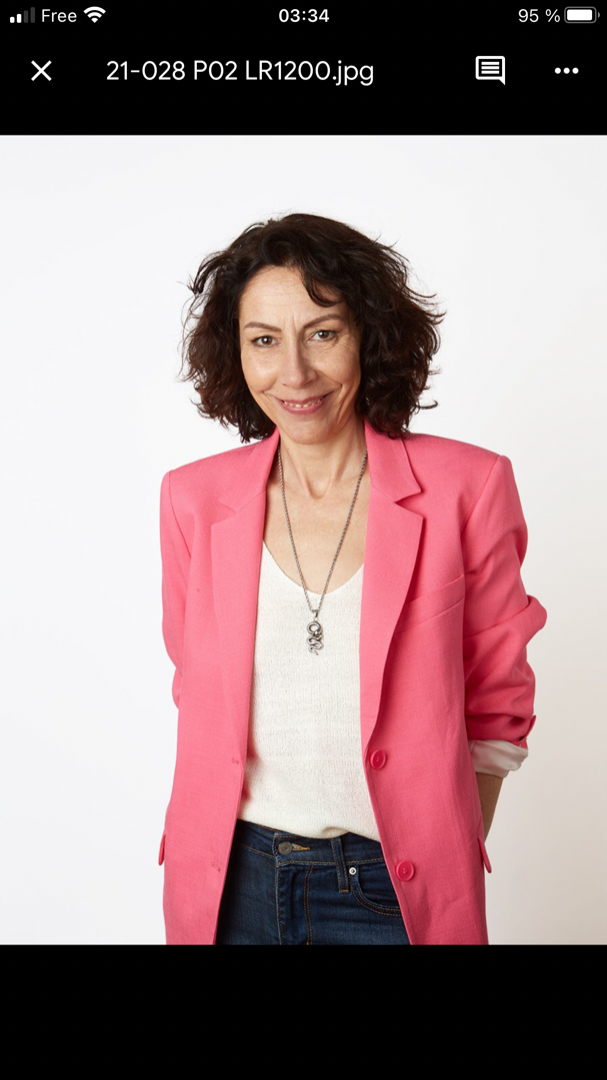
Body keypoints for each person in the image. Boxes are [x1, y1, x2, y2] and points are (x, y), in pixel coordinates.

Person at [157, 212, 547, 945]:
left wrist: (444, 845)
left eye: (323, 333)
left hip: (393, 885)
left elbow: (497, 702)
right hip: (228, 879)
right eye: (263, 340)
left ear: (369, 334)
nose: (294, 373)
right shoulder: (192, 498)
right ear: (233, 351)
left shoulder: (467, 486)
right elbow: (194, 683)